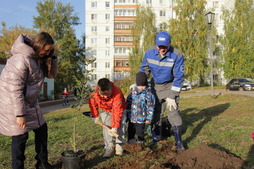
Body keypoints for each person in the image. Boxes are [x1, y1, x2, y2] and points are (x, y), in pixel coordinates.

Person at [0, 32, 58, 169]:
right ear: (39, 45)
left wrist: (52, 58)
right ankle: (17, 167)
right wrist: (20, 115)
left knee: (42, 130)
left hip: (30, 103)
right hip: (14, 104)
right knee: (20, 137)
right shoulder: (20, 59)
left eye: (50, 50)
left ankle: (42, 164)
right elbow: (14, 89)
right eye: (46, 50)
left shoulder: (37, 57)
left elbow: (52, 75)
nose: (47, 52)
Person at [140, 31, 185, 151]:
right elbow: (144, 70)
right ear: (156, 45)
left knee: (173, 112)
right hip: (155, 86)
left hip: (170, 85)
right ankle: (156, 138)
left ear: (169, 44)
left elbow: (179, 77)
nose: (162, 49)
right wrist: (139, 83)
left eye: (165, 47)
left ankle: (179, 142)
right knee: (156, 112)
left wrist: (172, 95)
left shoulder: (177, 55)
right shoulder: (149, 54)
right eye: (160, 47)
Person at [89, 78, 127, 157]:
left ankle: (119, 147)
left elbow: (117, 111)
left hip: (119, 109)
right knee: (106, 128)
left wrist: (115, 127)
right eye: (103, 95)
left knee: (120, 126)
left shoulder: (117, 92)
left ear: (110, 89)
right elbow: (93, 105)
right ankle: (109, 147)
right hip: (105, 110)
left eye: (108, 94)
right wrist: (95, 116)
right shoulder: (93, 93)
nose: (105, 97)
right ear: (98, 90)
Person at [126, 72, 155, 145]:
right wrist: (127, 115)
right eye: (139, 86)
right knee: (131, 130)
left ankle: (140, 143)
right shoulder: (132, 93)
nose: (141, 87)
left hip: (142, 118)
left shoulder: (148, 94)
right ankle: (130, 142)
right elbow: (128, 104)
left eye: (143, 85)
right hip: (132, 117)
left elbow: (150, 107)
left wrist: (149, 118)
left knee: (140, 132)